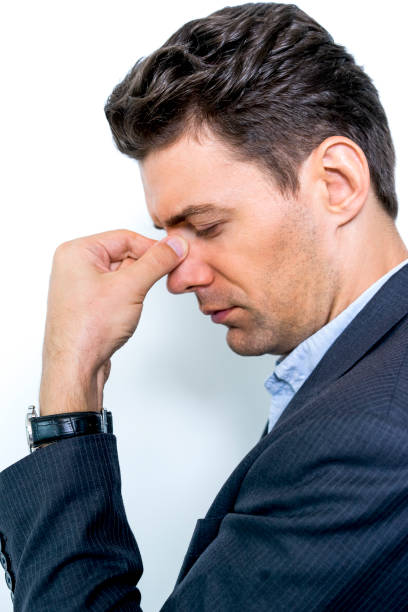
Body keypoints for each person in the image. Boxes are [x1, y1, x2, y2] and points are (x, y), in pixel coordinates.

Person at [1, 2, 408, 609]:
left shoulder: (365, 433)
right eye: (171, 238)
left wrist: (71, 375)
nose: (177, 278)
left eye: (208, 226)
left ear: (337, 183)